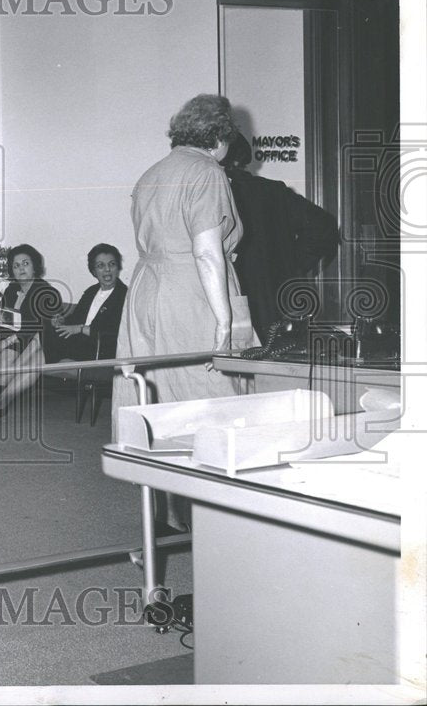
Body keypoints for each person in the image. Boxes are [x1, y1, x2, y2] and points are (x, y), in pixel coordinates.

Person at [112, 94, 255, 532]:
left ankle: (170, 513)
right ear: (220, 137)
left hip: (147, 291)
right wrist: (224, 319)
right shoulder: (206, 171)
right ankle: (218, 523)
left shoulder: (152, 172)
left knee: (158, 396)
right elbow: (208, 253)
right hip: (192, 290)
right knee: (215, 399)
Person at [221, 131, 340, 339]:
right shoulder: (272, 191)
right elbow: (324, 226)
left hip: (234, 302)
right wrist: (291, 265)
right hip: (276, 305)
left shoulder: (216, 191)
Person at [0, 244, 61, 417]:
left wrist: (7, 341)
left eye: (25, 263)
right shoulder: (12, 289)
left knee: (6, 354)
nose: (21, 268)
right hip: (12, 338)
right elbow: (3, 317)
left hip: (32, 341)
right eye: (16, 266)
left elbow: (37, 326)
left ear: (35, 266)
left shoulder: (46, 291)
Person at [44, 243, 128, 363]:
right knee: (42, 333)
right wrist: (61, 321)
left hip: (97, 351)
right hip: (77, 345)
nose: (107, 270)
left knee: (39, 349)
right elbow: (74, 319)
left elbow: (113, 334)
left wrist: (81, 329)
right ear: (93, 271)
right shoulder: (91, 291)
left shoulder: (124, 296)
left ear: (118, 267)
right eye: (101, 266)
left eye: (112, 264)